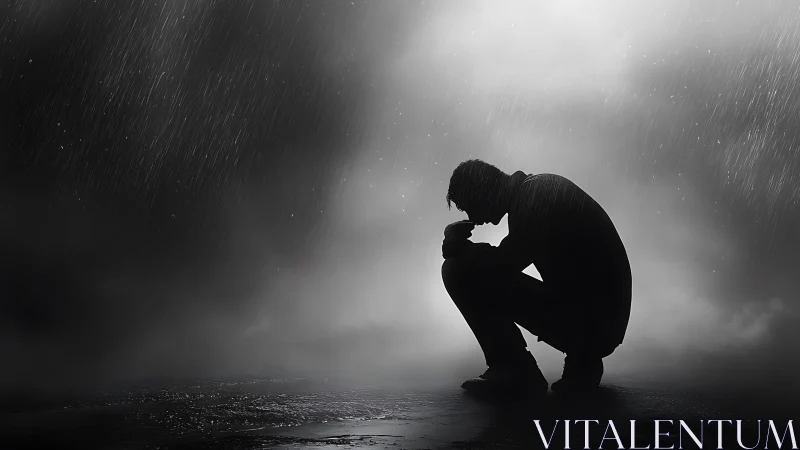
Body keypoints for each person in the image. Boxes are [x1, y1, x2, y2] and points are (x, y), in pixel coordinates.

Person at [441, 159, 632, 396]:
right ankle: (582, 359)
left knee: (458, 269)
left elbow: (502, 266)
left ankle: (515, 370)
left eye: (469, 206)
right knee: (471, 267)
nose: (474, 218)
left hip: (595, 324)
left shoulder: (534, 198)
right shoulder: (536, 190)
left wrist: (457, 246)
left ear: (482, 191)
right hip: (600, 320)